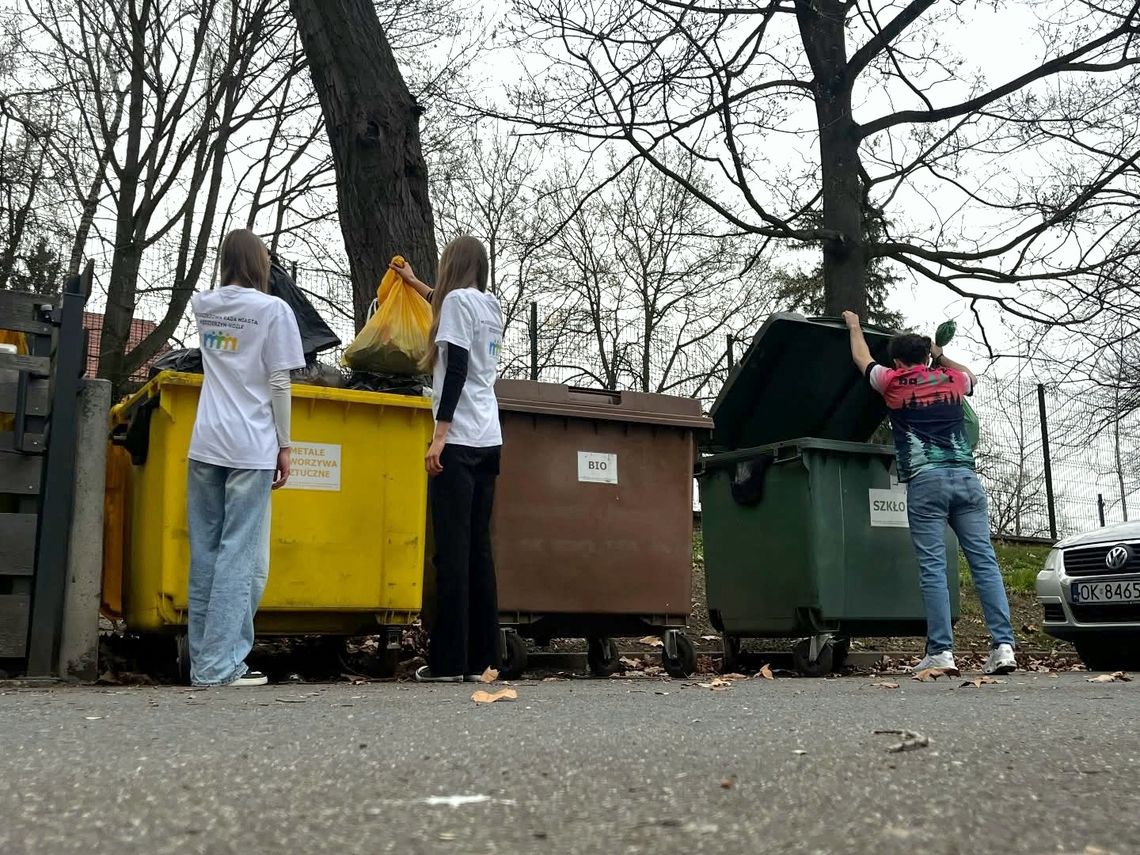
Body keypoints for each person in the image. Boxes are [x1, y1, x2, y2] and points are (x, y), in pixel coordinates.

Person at [842, 311, 1016, 676]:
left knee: (934, 568)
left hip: (926, 482)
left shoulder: (892, 381)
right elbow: (970, 374)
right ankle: (1003, 647)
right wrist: (940, 355)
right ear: (926, 356)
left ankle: (941, 652)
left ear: (897, 361)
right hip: (967, 480)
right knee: (985, 563)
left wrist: (854, 326)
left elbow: (861, 358)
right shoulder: (953, 379)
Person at [187, 229, 304, 687]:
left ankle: (205, 663)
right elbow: (278, 382)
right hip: (250, 444)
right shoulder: (273, 310)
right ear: (259, 262)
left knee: (206, 553)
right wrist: (285, 444)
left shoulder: (204, 305)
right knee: (239, 556)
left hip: (206, 441)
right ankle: (220, 667)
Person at [390, 238, 504, 683]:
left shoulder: (456, 302)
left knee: (451, 553)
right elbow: (448, 306)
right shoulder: (490, 305)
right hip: (489, 438)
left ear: (452, 265)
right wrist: (415, 283)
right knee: (479, 550)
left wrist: (439, 436)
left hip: (458, 440)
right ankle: (483, 661)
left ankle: (449, 662)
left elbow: (455, 367)